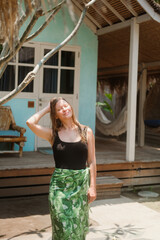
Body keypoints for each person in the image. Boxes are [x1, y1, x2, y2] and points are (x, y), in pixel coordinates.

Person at [26, 97, 97, 240]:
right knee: (62, 228)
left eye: (66, 106)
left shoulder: (86, 131)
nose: (64, 109)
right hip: (59, 189)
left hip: (80, 186)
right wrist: (47, 108)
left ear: (70, 107)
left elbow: (91, 161)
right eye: (59, 109)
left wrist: (93, 186)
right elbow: (30, 122)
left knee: (77, 228)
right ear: (55, 114)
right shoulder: (53, 134)